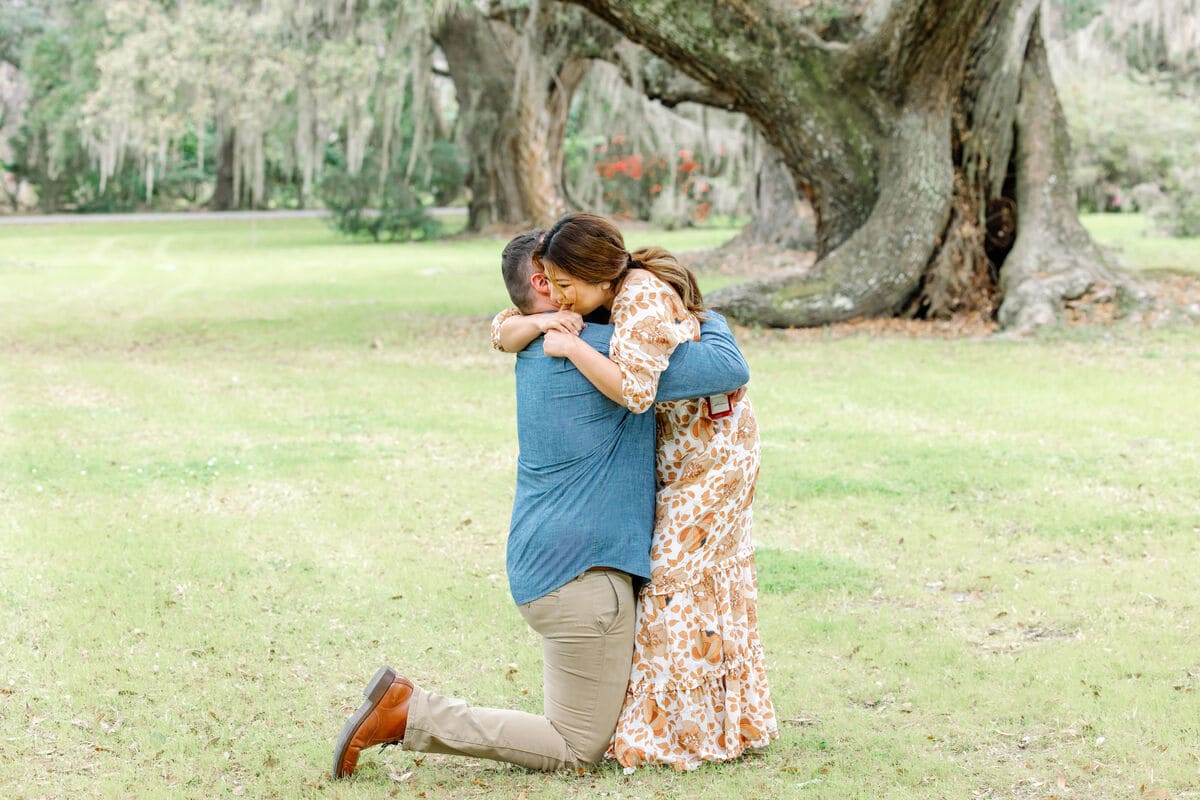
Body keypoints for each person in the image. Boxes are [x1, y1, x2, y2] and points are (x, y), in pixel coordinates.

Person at [332, 230, 751, 778]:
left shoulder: (533, 344)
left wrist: (524, 323)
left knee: (581, 711)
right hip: (585, 580)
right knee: (577, 746)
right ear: (542, 284)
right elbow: (726, 365)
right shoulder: (607, 353)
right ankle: (407, 713)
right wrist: (692, 305)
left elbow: (503, 329)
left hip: (542, 566)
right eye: (558, 278)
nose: (566, 285)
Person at [494, 213, 777, 770]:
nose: (563, 297)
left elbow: (722, 367)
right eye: (553, 286)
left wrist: (704, 316)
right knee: (679, 585)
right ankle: (689, 723)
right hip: (675, 457)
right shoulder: (575, 327)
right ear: (541, 287)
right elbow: (503, 326)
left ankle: (689, 728)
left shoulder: (597, 332)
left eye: (567, 282)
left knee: (677, 580)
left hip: (709, 456)